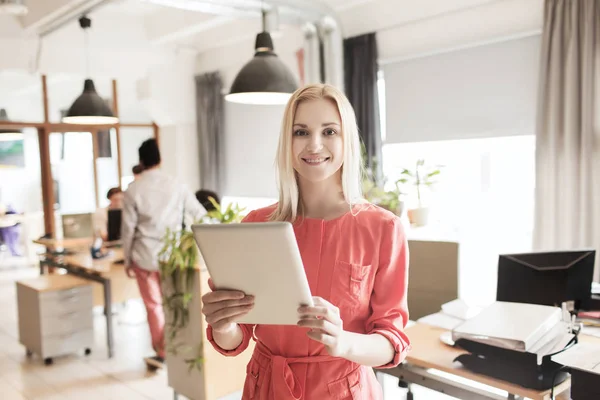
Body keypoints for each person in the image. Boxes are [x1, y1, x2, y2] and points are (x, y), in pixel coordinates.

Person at [201, 84, 410, 399]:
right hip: (266, 388)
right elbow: (237, 337)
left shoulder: (382, 228)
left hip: (344, 390)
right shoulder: (257, 225)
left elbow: (392, 342)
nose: (314, 145)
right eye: (301, 132)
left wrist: (343, 341)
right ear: (287, 141)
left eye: (329, 131)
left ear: (347, 140)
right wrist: (223, 324)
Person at [121, 138, 207, 369]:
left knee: (153, 306)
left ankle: (162, 352)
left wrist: (127, 258)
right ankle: (176, 348)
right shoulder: (176, 185)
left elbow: (128, 229)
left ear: (141, 161)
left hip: (144, 257)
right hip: (173, 256)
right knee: (173, 304)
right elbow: (200, 214)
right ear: (160, 159)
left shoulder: (133, 190)